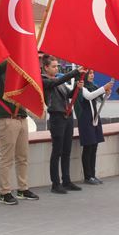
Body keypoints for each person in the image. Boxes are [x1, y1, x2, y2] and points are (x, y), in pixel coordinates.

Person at [0, 61, 40, 205]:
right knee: (6, 158)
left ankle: (23, 188)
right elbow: (1, 66)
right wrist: (15, 51)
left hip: (22, 118)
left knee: (23, 156)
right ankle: (5, 192)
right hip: (7, 120)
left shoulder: (17, 74)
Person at [42, 55, 83, 194]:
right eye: (53, 66)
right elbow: (55, 83)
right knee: (57, 151)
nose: (56, 68)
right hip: (57, 117)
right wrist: (75, 72)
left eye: (57, 66)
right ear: (46, 67)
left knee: (67, 151)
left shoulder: (58, 81)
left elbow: (68, 95)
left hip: (67, 116)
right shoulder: (45, 80)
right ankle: (55, 183)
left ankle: (66, 180)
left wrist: (77, 87)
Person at [74, 71, 113, 185]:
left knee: (94, 146)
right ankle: (87, 176)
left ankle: (93, 174)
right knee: (88, 147)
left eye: (92, 73)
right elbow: (89, 96)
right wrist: (103, 88)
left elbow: (100, 99)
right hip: (85, 120)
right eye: (89, 73)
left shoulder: (93, 86)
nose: (92, 75)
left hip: (95, 119)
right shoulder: (81, 86)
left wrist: (107, 92)